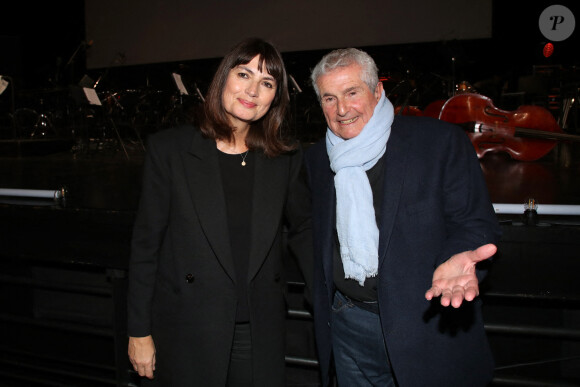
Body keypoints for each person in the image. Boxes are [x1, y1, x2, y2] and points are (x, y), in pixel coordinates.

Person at [303, 47, 501, 386]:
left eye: (352, 92)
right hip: (349, 325)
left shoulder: (438, 142)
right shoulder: (318, 159)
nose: (342, 109)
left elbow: (473, 223)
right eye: (329, 98)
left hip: (426, 324)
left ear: (377, 91)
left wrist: (459, 257)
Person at [127, 38, 312, 386]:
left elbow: (304, 228)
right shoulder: (170, 151)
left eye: (267, 83)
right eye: (244, 74)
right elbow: (145, 246)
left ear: (276, 97)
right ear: (223, 78)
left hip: (257, 328)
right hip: (188, 325)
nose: (253, 90)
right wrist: (139, 332)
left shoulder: (284, 158)